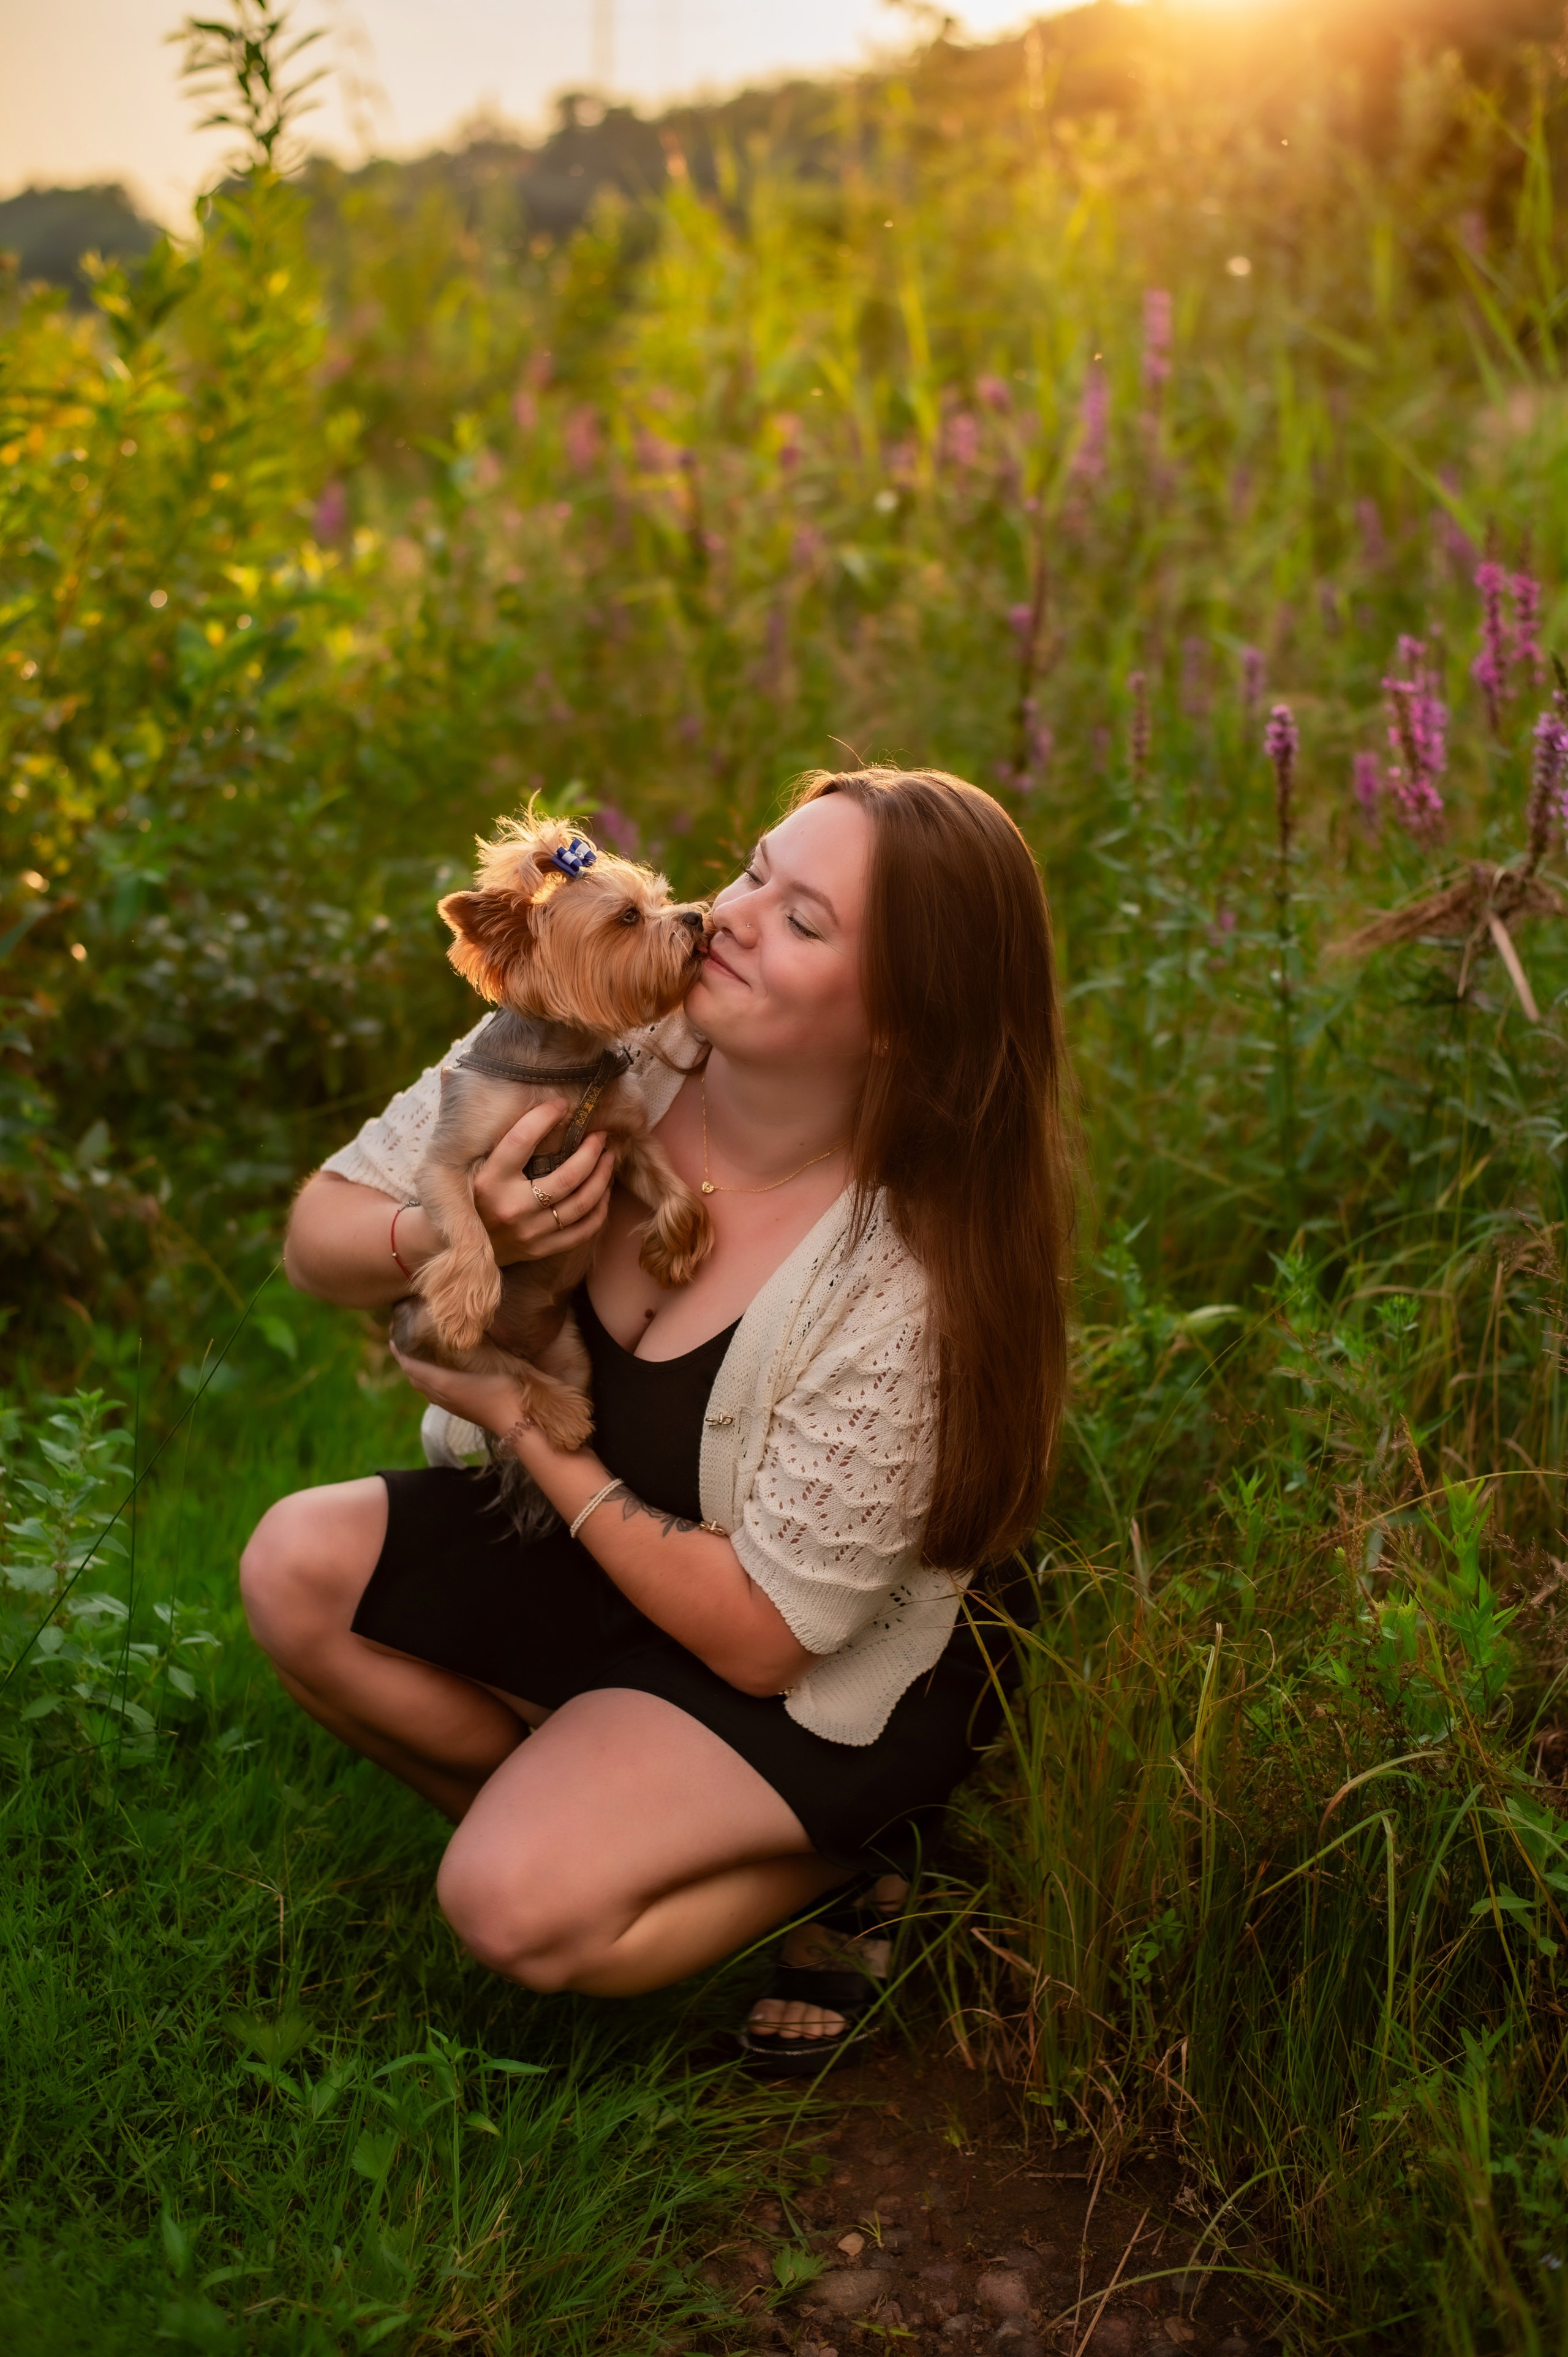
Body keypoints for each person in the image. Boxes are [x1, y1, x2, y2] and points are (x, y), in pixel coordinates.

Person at [240, 767, 1072, 2070]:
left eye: (802, 922)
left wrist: (520, 1421)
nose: (728, 913)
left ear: (901, 1023)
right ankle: (609, 1802)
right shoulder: (608, 1030)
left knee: (509, 1903)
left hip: (800, 1662)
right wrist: (447, 1227)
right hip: (607, 1566)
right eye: (753, 868)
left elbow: (759, 1637)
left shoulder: (905, 1271)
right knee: (294, 1569)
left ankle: (845, 1863)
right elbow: (316, 1242)